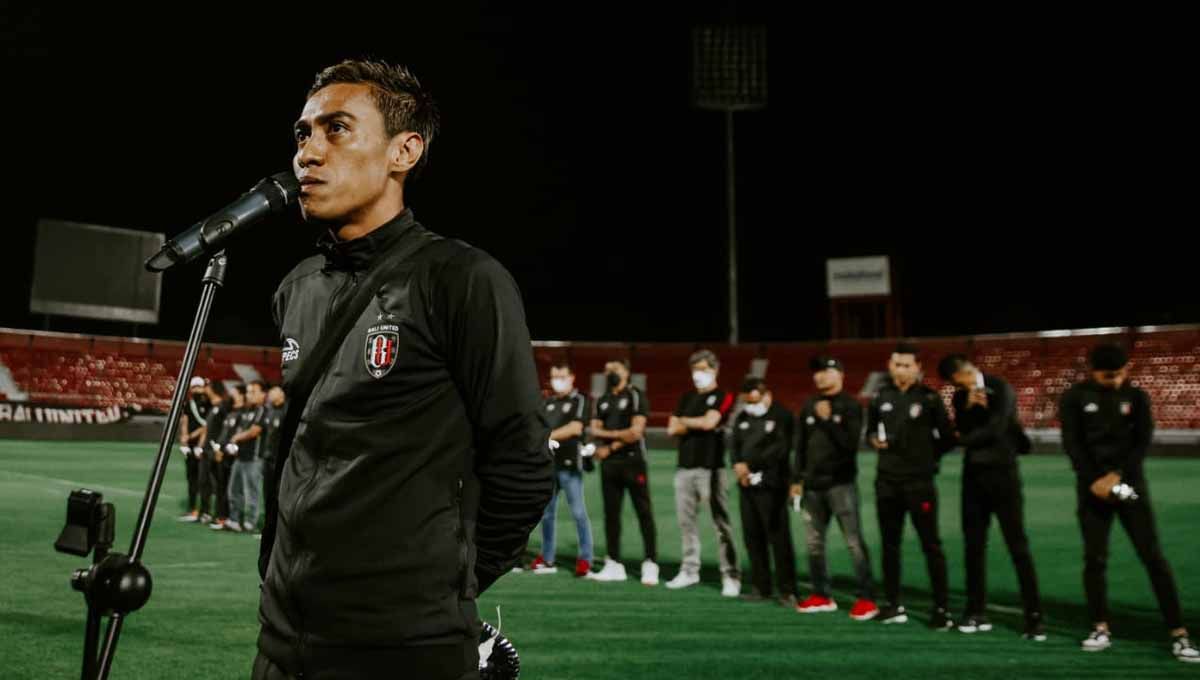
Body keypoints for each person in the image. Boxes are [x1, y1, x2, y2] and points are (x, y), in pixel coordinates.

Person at [255, 59, 553, 680]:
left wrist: (444, 590)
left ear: (404, 151)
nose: (308, 151)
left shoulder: (462, 280)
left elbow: (522, 461)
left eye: (336, 129)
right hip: (284, 640)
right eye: (302, 133)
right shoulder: (296, 289)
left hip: (405, 646)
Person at [1059, 343, 1198, 663]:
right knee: (1095, 559)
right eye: (1109, 376)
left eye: (1121, 374)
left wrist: (1117, 477)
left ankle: (1179, 633)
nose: (1116, 380)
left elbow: (1142, 439)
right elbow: (1073, 442)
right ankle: (1099, 627)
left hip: (1128, 487)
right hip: (1091, 488)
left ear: (1128, 369)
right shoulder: (1074, 397)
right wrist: (1095, 479)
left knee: (1152, 556)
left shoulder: (1137, 397)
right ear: (1093, 372)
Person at [937, 353, 1044, 639]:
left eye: (958, 379)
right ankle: (975, 612)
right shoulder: (961, 398)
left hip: (1003, 474)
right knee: (973, 546)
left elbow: (997, 427)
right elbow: (964, 425)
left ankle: (1034, 616)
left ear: (963, 372)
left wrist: (961, 440)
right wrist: (970, 411)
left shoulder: (1001, 387)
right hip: (973, 476)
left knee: (1017, 545)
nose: (960, 385)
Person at [867, 343, 955, 629]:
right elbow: (870, 430)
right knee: (890, 545)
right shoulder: (881, 396)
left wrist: (927, 458)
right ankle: (893, 604)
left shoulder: (929, 399)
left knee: (931, 545)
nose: (900, 369)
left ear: (918, 368)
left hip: (919, 483)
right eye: (896, 364)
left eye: (906, 365)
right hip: (887, 482)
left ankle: (941, 608)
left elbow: (948, 438)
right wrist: (872, 440)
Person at [791, 356, 877, 620]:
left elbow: (850, 446)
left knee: (853, 542)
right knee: (814, 543)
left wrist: (828, 421)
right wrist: (796, 480)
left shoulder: (851, 406)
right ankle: (821, 594)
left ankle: (866, 598)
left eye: (825, 371)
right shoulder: (809, 405)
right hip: (812, 487)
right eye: (816, 371)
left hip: (840, 484)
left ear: (840, 374)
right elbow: (800, 446)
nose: (820, 376)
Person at [665, 349, 740, 597]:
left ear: (715, 370)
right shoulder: (686, 397)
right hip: (684, 467)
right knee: (686, 523)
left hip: (711, 468)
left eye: (703, 370)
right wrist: (695, 422)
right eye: (695, 370)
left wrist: (685, 422)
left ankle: (730, 574)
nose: (698, 375)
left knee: (720, 523)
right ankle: (689, 570)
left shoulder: (723, 395)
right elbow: (671, 429)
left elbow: (709, 423)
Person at [589, 359, 659, 585]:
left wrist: (609, 444)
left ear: (627, 373)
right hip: (609, 466)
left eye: (615, 370)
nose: (611, 374)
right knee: (611, 515)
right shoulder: (603, 399)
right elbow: (594, 428)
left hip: (632, 461)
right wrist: (620, 435)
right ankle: (614, 563)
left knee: (643, 512)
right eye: (607, 370)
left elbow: (636, 432)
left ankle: (650, 562)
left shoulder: (635, 395)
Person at [731, 376, 797, 607]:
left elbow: (781, 448)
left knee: (778, 539)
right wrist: (738, 466)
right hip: (747, 486)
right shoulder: (742, 417)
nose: (751, 406)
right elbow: (735, 445)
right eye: (747, 402)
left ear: (766, 395)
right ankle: (761, 586)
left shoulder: (783, 416)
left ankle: (788, 590)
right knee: (753, 536)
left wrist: (752, 465)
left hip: (773, 485)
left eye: (755, 401)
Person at [529, 362, 595, 578]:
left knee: (578, 512)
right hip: (548, 464)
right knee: (547, 514)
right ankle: (547, 557)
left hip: (569, 464)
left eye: (562, 376)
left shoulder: (580, 400)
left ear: (572, 377)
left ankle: (585, 559)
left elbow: (575, 428)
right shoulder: (547, 402)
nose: (558, 380)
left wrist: (547, 436)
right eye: (554, 376)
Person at [226, 380, 268, 533]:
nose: (249, 395)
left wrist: (236, 438)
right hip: (241, 457)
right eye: (249, 392)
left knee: (252, 491)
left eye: (253, 392)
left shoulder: (263, 410)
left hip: (254, 458)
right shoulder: (247, 411)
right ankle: (234, 520)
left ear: (263, 394)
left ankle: (251, 522)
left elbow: (254, 431)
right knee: (234, 489)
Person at [210, 383, 244, 531]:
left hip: (231, 456)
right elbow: (224, 433)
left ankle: (229, 517)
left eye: (235, 392)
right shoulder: (230, 411)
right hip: (222, 453)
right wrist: (218, 447)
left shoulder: (244, 413)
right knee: (221, 487)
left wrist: (226, 448)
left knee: (230, 488)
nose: (232, 395)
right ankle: (222, 516)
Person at [196, 380, 230, 526]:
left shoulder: (223, 407)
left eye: (207, 387)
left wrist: (220, 447)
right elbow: (207, 429)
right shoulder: (213, 407)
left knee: (220, 484)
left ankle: (221, 514)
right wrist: (201, 446)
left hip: (216, 449)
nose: (205, 390)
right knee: (204, 482)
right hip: (207, 449)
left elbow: (226, 428)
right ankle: (205, 512)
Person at [177, 376, 210, 522]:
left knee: (204, 479)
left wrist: (190, 436)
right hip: (190, 446)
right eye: (194, 387)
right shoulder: (188, 404)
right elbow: (185, 420)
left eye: (199, 387)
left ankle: (205, 511)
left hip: (202, 445)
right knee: (191, 479)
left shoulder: (208, 403)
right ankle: (192, 509)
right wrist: (184, 438)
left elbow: (207, 425)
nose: (196, 389)